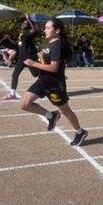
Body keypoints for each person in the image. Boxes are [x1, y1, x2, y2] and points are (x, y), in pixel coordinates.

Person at [21, 18, 88, 146]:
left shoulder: (57, 45)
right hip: (42, 81)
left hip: (55, 85)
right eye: (45, 27)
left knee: (66, 111)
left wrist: (34, 63)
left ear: (57, 30)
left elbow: (53, 67)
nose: (44, 30)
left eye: (47, 28)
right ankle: (51, 116)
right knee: (25, 104)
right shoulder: (50, 43)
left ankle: (80, 132)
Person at [3, 16, 39, 100]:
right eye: (23, 23)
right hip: (21, 58)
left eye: (25, 23)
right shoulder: (22, 33)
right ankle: (12, 93)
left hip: (28, 58)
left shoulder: (28, 32)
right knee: (15, 74)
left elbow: (34, 30)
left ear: (28, 25)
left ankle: (50, 73)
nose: (23, 24)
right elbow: (17, 44)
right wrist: (9, 39)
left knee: (35, 74)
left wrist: (29, 19)